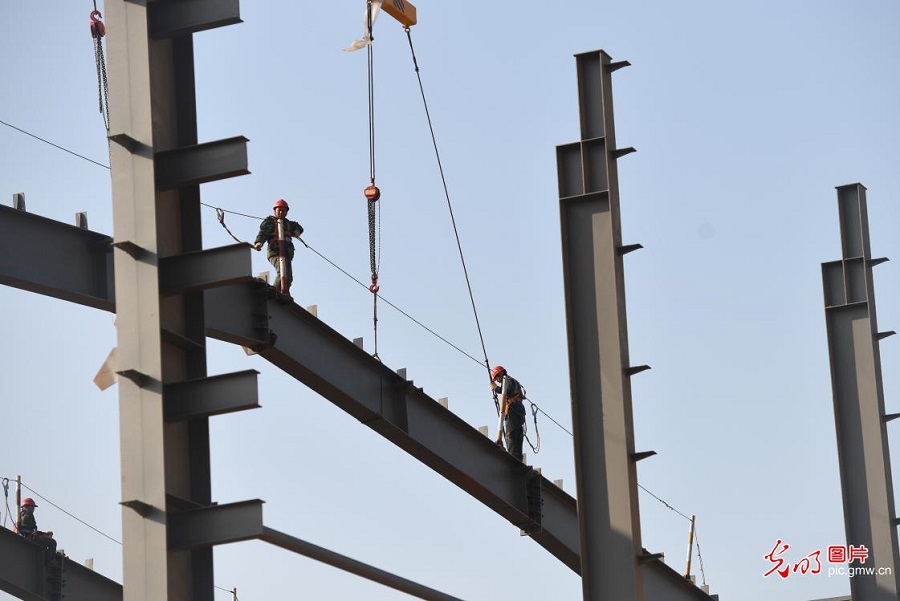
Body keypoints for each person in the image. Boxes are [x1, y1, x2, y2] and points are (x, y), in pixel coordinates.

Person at [253, 199, 304, 298]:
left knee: (288, 277)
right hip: (275, 252)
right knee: (282, 273)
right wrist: (259, 242)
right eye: (279, 210)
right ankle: (275, 292)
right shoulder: (271, 222)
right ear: (275, 210)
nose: (281, 212)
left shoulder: (288, 224)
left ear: (286, 212)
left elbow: (299, 227)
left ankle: (283, 292)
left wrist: (297, 231)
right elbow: (263, 233)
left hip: (287, 254)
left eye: (283, 210)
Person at [489, 365, 527, 462]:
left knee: (511, 435)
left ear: (502, 373)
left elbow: (506, 390)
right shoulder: (512, 381)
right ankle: (517, 457)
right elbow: (507, 393)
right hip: (518, 410)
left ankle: (513, 458)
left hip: (513, 410)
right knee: (517, 435)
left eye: (497, 377)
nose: (497, 380)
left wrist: (495, 388)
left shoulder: (508, 380)